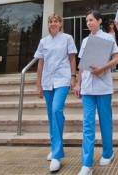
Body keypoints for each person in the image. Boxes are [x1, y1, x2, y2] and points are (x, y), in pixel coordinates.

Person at [74, 10, 118, 175]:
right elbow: (81, 64)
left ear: (99, 21)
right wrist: (78, 84)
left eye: (91, 20)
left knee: (105, 121)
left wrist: (102, 68)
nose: (88, 23)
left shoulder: (108, 38)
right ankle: (86, 164)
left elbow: (117, 58)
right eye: (87, 21)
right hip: (87, 87)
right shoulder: (85, 40)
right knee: (87, 124)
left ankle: (108, 152)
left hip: (103, 87)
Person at [34, 14, 78, 173]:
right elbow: (40, 63)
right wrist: (38, 84)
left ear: (60, 24)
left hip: (62, 79)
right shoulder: (43, 42)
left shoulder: (67, 38)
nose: (53, 23)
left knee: (56, 110)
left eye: (56, 21)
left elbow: (72, 59)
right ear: (48, 25)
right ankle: (54, 147)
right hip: (47, 81)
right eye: (50, 21)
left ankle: (57, 155)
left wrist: (73, 77)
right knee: (51, 115)